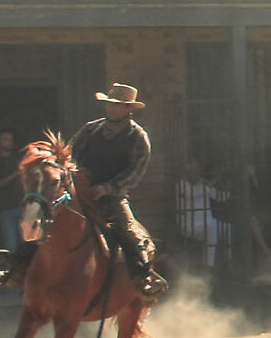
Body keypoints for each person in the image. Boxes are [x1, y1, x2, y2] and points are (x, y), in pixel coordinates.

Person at [67, 83, 164, 300]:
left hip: (112, 198)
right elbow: (70, 154)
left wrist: (106, 188)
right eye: (109, 104)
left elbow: (134, 173)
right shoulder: (90, 129)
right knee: (45, 218)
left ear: (128, 108)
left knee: (130, 234)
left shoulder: (138, 137)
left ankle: (143, 279)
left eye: (117, 105)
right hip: (79, 192)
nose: (111, 108)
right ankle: (18, 268)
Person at [174, 160, 226, 269]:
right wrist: (212, 183)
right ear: (187, 172)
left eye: (197, 170)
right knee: (213, 227)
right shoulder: (182, 185)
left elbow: (220, 197)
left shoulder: (202, 184)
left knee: (229, 230)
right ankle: (209, 266)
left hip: (207, 225)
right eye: (193, 170)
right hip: (190, 226)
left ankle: (230, 262)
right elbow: (194, 194)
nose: (197, 173)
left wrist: (228, 188)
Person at [0, 129, 25, 250]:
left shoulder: (19, 159)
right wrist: (14, 175)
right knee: (12, 247)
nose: (9, 143)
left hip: (23, 208)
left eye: (10, 140)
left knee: (27, 245)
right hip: (6, 209)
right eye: (6, 139)